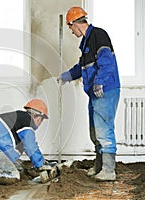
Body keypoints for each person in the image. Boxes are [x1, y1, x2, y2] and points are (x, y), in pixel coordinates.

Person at [57, 6, 120, 181]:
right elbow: (82, 68)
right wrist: (66, 76)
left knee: (103, 129)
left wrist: (100, 82)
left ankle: (109, 170)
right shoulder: (85, 43)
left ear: (74, 23)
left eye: (70, 27)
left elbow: (106, 61)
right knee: (95, 131)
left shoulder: (98, 35)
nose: (70, 31)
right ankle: (99, 166)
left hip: (105, 90)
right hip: (94, 93)